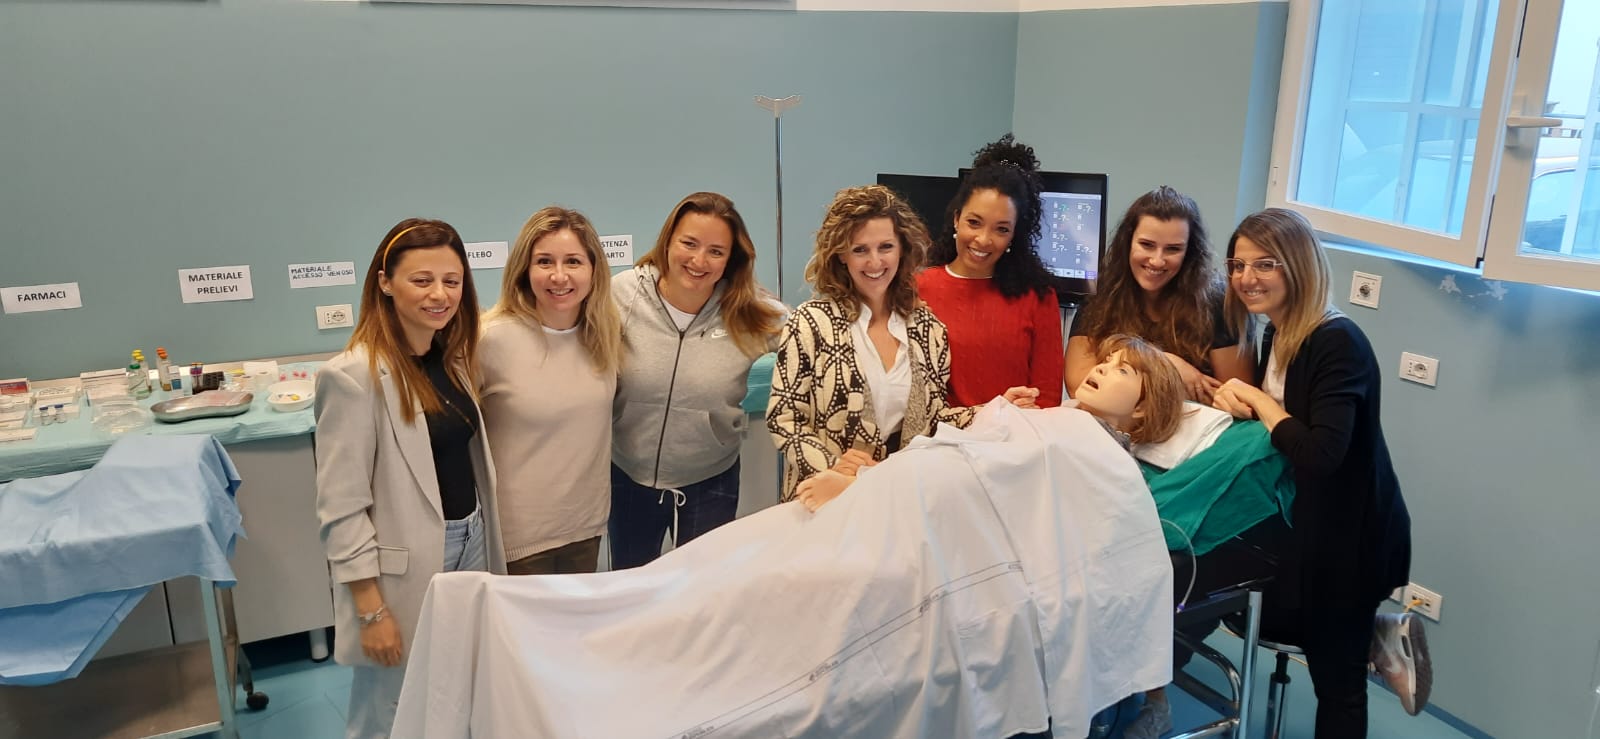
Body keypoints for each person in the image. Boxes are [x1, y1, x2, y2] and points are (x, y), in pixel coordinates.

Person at [1209, 208, 1419, 737]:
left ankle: (1370, 633)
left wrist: (1258, 400)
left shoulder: (1336, 341)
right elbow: (1285, 427)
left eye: (1265, 264)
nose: (1247, 278)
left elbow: (1321, 453)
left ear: (1299, 266)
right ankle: (1372, 632)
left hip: (1353, 539)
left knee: (1337, 684)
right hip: (1309, 525)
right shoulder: (1276, 333)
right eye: (1238, 265)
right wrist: (1246, 406)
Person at [314, 217, 507, 738]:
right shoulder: (352, 377)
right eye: (421, 280)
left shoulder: (451, 358)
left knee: (458, 683)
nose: (439, 295)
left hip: (471, 540)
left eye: (451, 280)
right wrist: (371, 611)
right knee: (393, 706)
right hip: (407, 563)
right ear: (384, 282)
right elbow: (341, 508)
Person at [767, 184, 1038, 504]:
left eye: (885, 247)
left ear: (902, 249)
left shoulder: (928, 329)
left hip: (895, 499)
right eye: (860, 250)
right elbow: (784, 418)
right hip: (822, 498)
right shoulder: (810, 323)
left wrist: (996, 409)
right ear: (841, 254)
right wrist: (833, 466)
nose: (875, 262)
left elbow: (934, 420)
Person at [797, 333, 1185, 512]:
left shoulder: (1111, 458)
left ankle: (867, 489)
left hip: (991, 485)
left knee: (953, 478)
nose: (1101, 367)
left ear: (1141, 408)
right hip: (975, 464)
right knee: (941, 459)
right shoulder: (1066, 418)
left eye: (1122, 370)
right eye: (1105, 361)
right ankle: (875, 480)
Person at [610, 192, 785, 569]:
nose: (699, 261)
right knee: (629, 584)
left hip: (711, 481)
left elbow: (814, 338)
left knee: (705, 587)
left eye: (716, 251)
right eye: (689, 243)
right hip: (628, 476)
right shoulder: (621, 294)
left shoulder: (751, 309)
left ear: (731, 259)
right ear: (668, 241)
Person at [479, 206, 621, 575]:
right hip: (517, 539)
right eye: (544, 261)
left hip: (586, 528)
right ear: (524, 269)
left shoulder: (604, 336)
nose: (559, 276)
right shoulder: (490, 339)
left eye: (573, 261)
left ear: (593, 269)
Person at [1066, 186, 1251, 404]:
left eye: (1173, 249)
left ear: (1189, 252)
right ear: (1128, 242)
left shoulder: (1218, 301)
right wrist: (1165, 364)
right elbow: (1079, 385)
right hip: (1114, 421)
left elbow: (1237, 399)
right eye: (1146, 245)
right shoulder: (1101, 293)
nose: (1157, 260)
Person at [918, 134, 1064, 409]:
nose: (984, 240)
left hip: (1015, 433)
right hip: (941, 433)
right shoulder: (917, 289)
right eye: (974, 222)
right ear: (956, 218)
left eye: (1001, 229)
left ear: (1014, 235)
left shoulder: (1038, 297)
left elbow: (1046, 398)